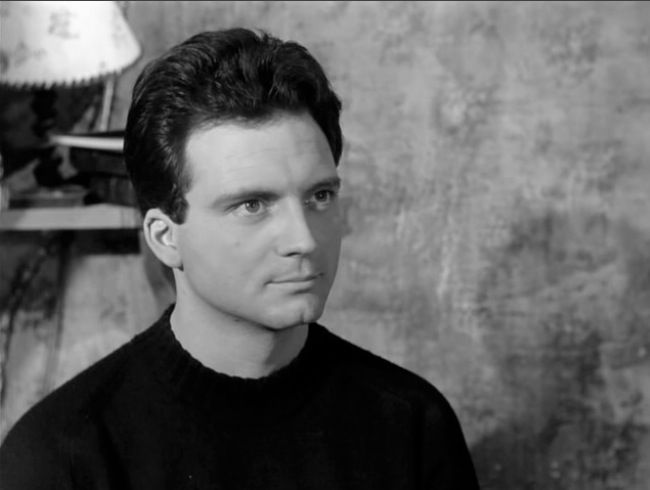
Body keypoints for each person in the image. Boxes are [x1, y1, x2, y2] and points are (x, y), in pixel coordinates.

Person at [0, 28, 480, 489]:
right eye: (252, 205)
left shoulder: (412, 425)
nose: (303, 240)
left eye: (319, 196)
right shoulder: (61, 459)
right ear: (165, 237)